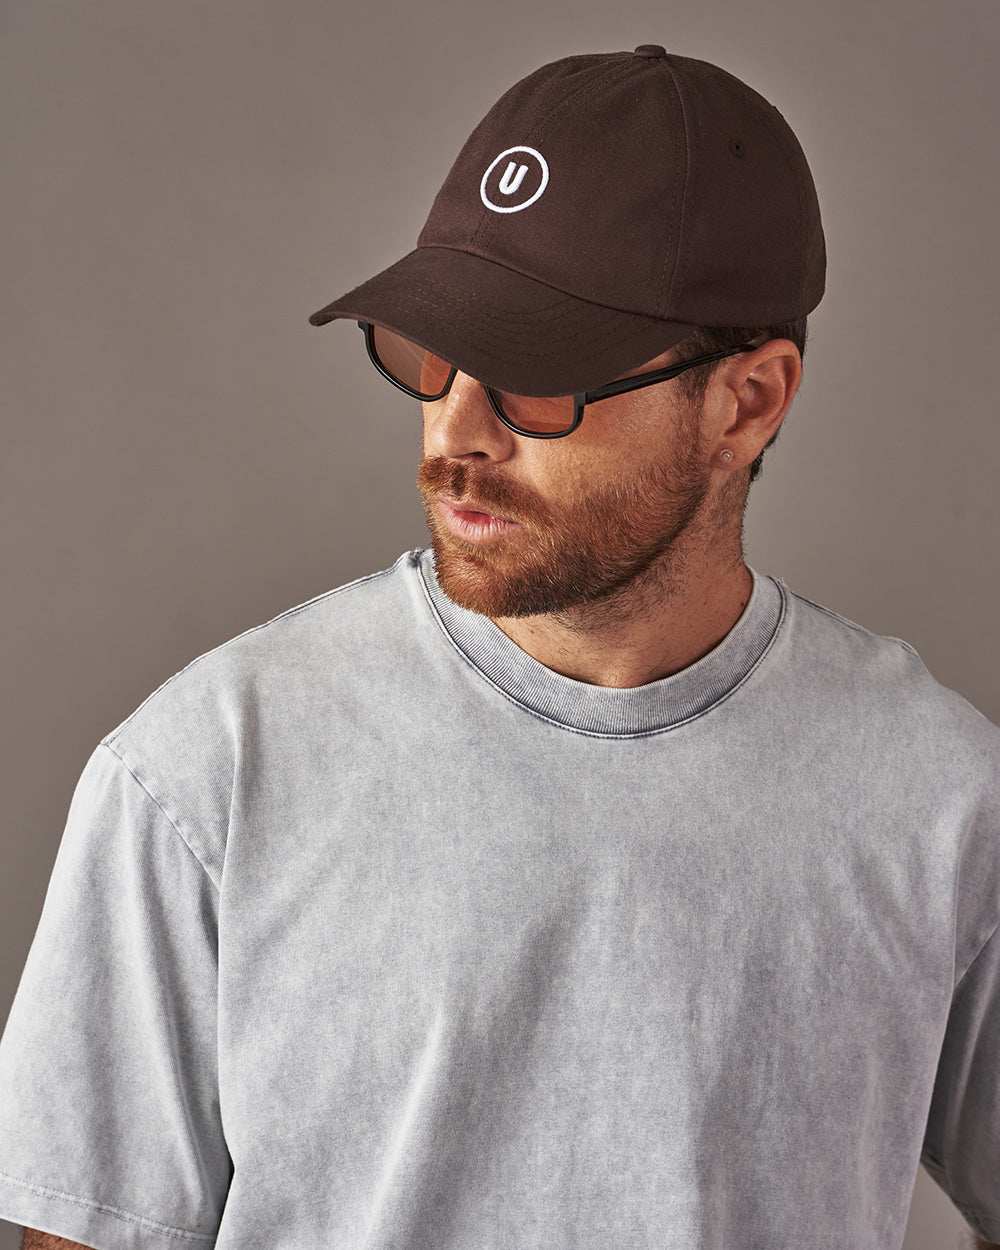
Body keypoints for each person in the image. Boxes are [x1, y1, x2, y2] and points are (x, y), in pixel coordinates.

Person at [1, 44, 998, 1250]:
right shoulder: (208, 770)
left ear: (746, 401)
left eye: (537, 377)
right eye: (434, 355)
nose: (455, 431)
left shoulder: (939, 797)